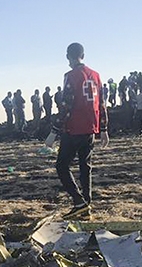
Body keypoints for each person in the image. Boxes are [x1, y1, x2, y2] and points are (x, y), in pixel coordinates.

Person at [45, 42, 108, 220]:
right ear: (83, 55)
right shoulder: (96, 75)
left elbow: (66, 105)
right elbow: (101, 103)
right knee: (85, 167)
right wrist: (103, 128)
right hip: (90, 128)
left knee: (62, 166)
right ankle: (86, 205)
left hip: (73, 128)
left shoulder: (70, 76)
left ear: (68, 57)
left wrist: (54, 131)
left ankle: (79, 202)